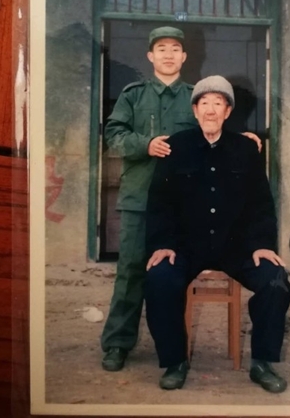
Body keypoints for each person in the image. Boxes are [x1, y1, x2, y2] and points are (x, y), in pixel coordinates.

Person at [101, 28, 261, 372]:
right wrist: (145, 144)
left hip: (182, 204)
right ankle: (117, 343)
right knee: (130, 271)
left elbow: (214, 128)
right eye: (161, 48)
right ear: (150, 56)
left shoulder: (196, 97)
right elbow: (113, 135)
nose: (169, 55)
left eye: (175, 49)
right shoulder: (133, 95)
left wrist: (243, 139)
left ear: (185, 57)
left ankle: (171, 348)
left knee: (171, 271)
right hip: (138, 198)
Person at [145, 75, 290, 393]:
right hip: (187, 246)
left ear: (227, 112)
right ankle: (175, 362)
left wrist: (262, 244)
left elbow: (261, 203)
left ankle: (262, 363)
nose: (210, 109)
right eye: (204, 103)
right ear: (195, 110)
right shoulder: (176, 147)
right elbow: (159, 203)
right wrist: (163, 244)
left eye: (218, 103)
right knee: (159, 278)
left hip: (235, 247)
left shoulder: (246, 149)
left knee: (276, 280)